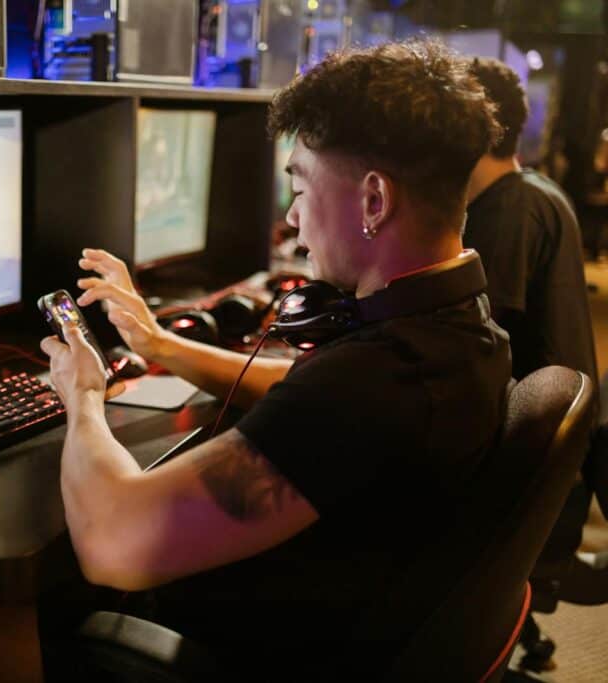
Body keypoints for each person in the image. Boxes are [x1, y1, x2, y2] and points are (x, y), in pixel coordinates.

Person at [40, 40, 510, 678]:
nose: (292, 218)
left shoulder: (372, 383)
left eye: (301, 186)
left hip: (246, 651)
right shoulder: (456, 330)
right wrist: (158, 342)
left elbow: (112, 543)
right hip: (340, 619)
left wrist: (83, 395)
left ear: (374, 201)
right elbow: (301, 389)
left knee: (12, 598)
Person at [464, 56, 601, 665]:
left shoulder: (506, 214)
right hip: (555, 468)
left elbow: (481, 351)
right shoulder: (536, 190)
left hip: (520, 474)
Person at [464, 57, 598, 387]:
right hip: (558, 418)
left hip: (530, 428)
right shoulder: (535, 191)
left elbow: (473, 341)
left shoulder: (509, 210)